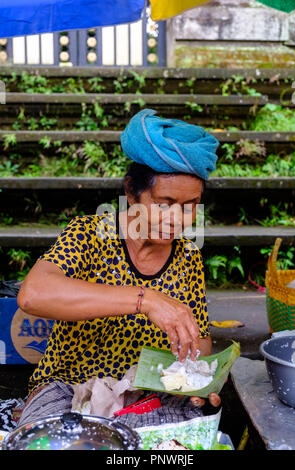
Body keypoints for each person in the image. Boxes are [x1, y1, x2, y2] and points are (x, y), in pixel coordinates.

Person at [16, 109, 220, 428]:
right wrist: (147, 299)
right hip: (67, 384)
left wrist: (197, 375)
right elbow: (33, 295)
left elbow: (200, 338)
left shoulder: (187, 256)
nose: (178, 219)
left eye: (190, 206)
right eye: (164, 203)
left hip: (146, 389)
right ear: (131, 192)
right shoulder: (89, 234)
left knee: (179, 438)